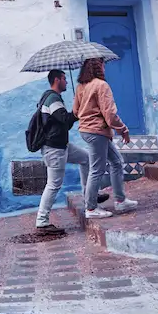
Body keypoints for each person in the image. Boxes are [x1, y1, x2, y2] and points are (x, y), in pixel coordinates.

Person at [35, 69, 108, 234]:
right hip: (54, 149)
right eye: (64, 79)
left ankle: (89, 195)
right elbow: (66, 120)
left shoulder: (53, 98)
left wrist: (77, 107)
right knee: (53, 184)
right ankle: (42, 221)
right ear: (57, 80)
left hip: (62, 145)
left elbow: (63, 123)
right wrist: (79, 106)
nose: (67, 82)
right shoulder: (52, 98)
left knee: (87, 159)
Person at [74, 57, 138, 220]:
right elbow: (110, 115)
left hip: (88, 131)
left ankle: (120, 200)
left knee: (116, 162)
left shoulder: (81, 86)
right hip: (97, 132)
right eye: (103, 65)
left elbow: (75, 111)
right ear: (98, 67)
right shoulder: (101, 85)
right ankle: (91, 208)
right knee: (97, 169)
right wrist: (123, 129)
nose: (104, 68)